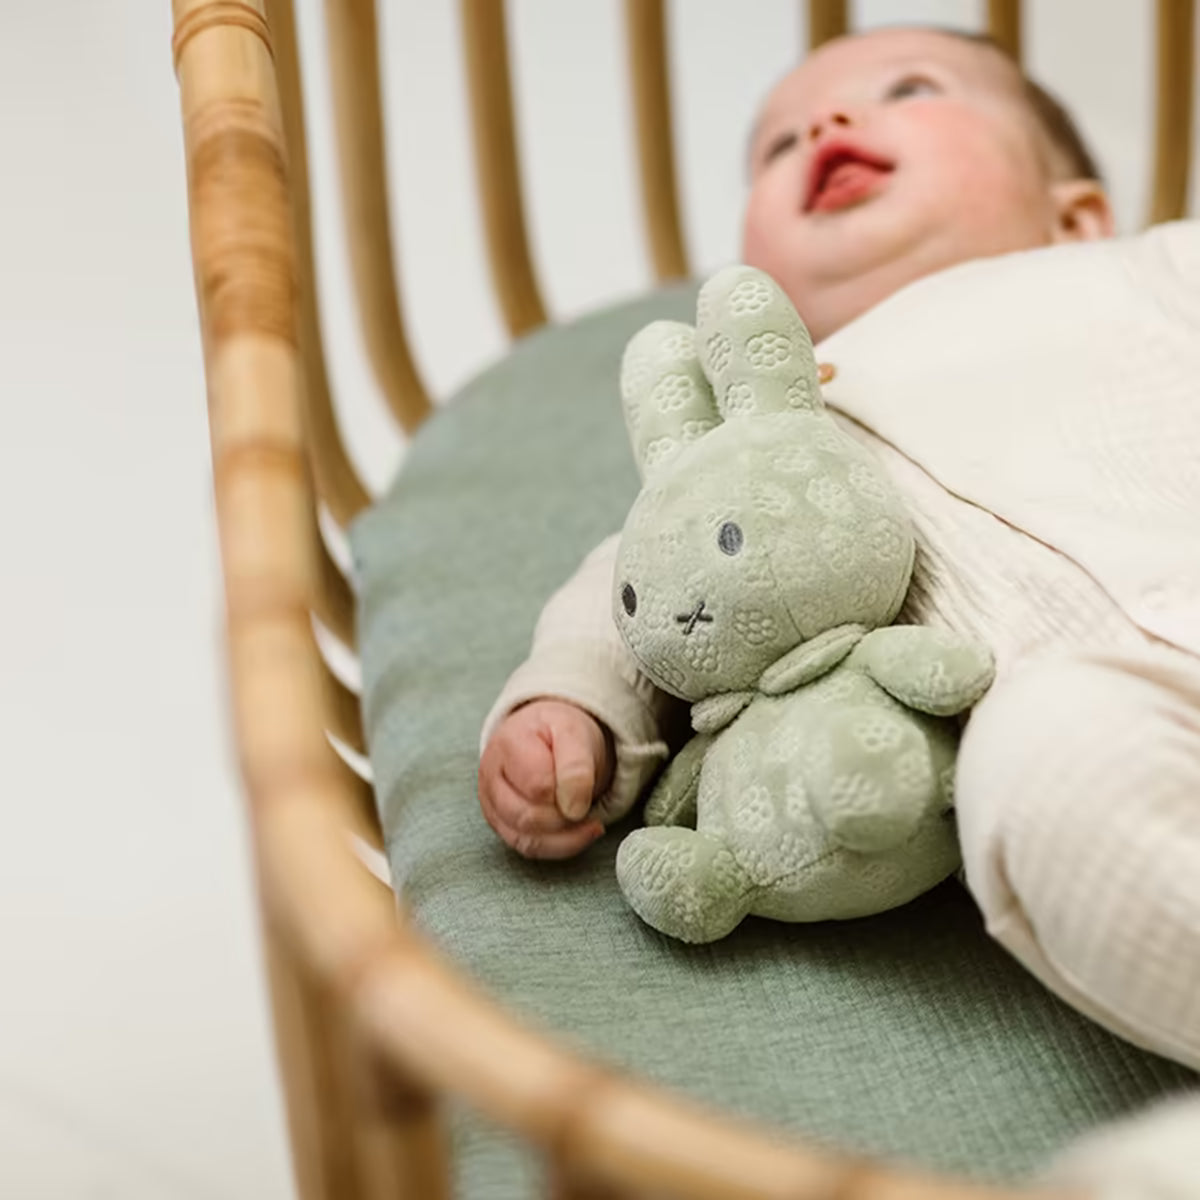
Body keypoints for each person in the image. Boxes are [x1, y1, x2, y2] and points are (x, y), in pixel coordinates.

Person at [477, 25, 1200, 1074]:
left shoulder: (1144, 267)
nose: (823, 126)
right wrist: (570, 700)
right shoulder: (767, 444)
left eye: (911, 87)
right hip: (1122, 719)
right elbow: (644, 588)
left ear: (1075, 212)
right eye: (775, 148)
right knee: (1040, 762)